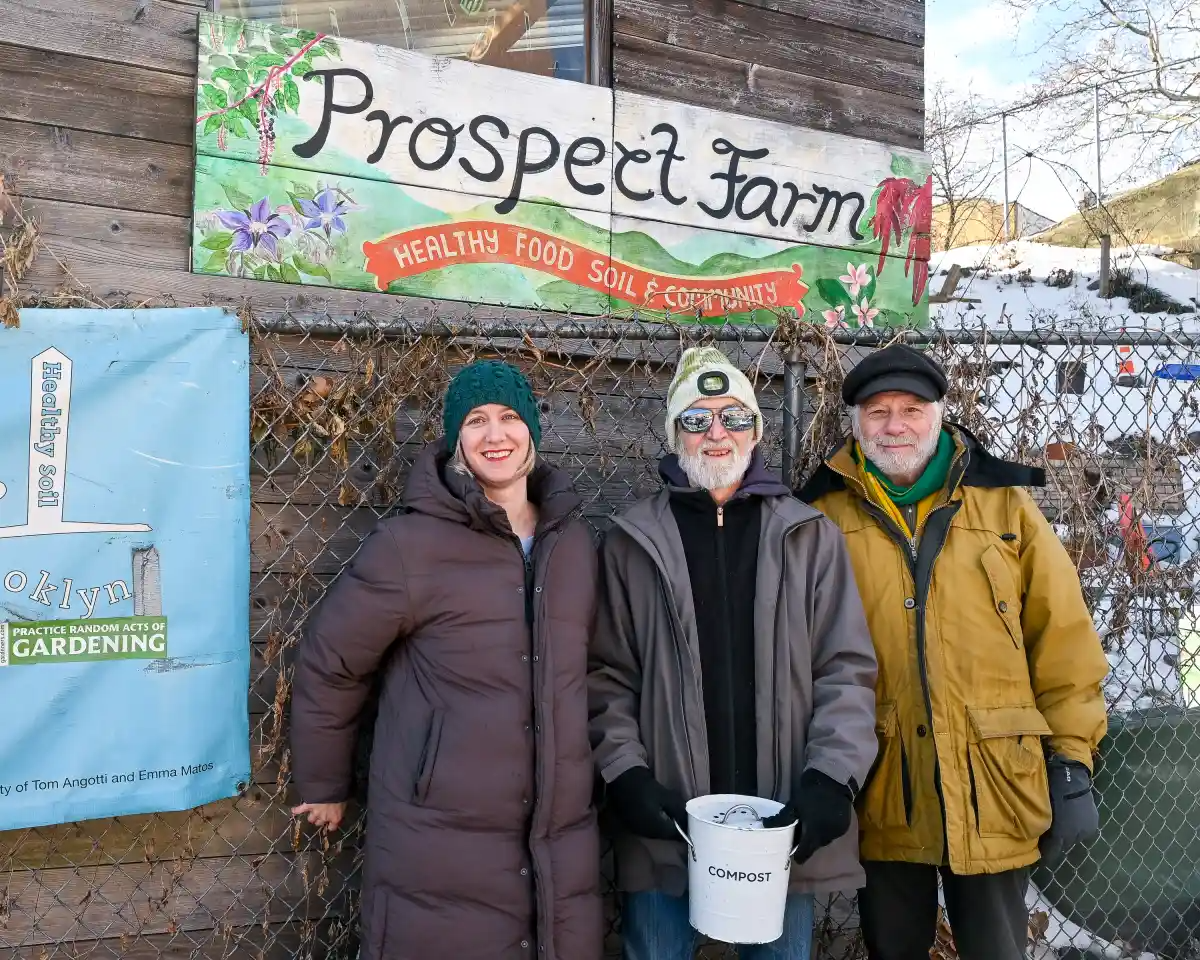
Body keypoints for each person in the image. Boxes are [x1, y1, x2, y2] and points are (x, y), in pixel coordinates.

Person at [797, 344, 1109, 960]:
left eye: (912, 409)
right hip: (883, 787)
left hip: (996, 782)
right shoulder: (822, 516)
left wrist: (1072, 760)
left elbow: (1063, 639)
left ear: (939, 414)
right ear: (856, 423)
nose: (895, 425)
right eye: (878, 411)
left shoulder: (1004, 505)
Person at [289, 360, 602, 960]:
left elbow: (593, 672)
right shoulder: (410, 546)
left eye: (509, 417)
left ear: (532, 430)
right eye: (476, 420)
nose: (495, 435)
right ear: (456, 437)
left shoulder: (574, 545)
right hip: (437, 835)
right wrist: (324, 781)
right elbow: (333, 662)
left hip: (559, 835)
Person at [588, 346, 879, 960]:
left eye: (734, 417)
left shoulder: (809, 537)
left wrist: (831, 778)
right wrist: (626, 774)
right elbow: (606, 677)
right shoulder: (630, 543)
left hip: (779, 829)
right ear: (675, 434)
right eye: (697, 418)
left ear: (756, 430)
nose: (717, 433)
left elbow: (845, 671)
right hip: (667, 825)